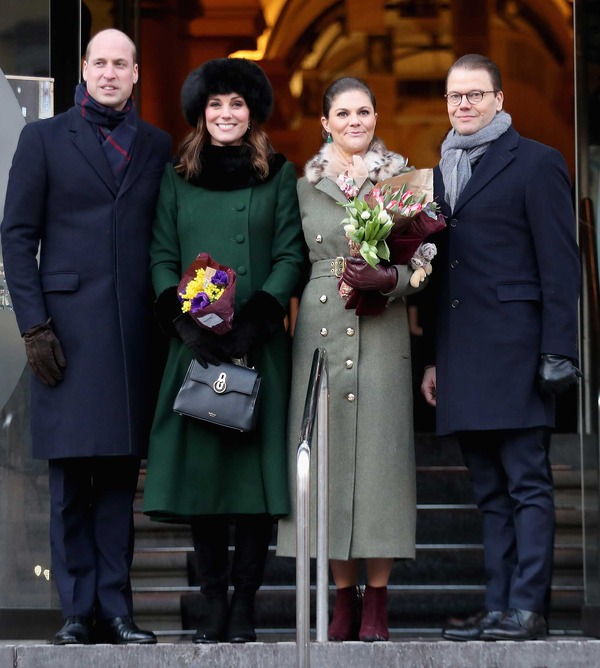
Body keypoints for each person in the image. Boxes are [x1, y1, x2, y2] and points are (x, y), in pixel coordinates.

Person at [1, 29, 171, 644]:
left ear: (135, 75)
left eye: (119, 63)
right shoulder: (43, 138)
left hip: (130, 334)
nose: (108, 72)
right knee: (71, 482)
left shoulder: (155, 145)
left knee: (119, 482)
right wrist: (33, 325)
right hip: (64, 336)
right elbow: (16, 237)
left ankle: (117, 610)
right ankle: (76, 612)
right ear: (84, 69)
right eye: (98, 62)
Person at [142, 57, 305, 644]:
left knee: (252, 487)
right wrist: (186, 324)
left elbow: (291, 255)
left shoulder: (279, 175)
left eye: (236, 104)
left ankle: (245, 604)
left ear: (252, 112)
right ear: (200, 114)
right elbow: (161, 255)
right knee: (206, 485)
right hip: (197, 349)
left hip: (256, 348)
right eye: (216, 104)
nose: (226, 113)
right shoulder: (175, 178)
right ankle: (212, 602)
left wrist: (256, 319)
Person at [420, 54, 581, 641]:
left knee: (527, 483)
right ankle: (498, 605)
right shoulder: (435, 176)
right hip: (463, 353)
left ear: (499, 99)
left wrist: (559, 349)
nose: (463, 105)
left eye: (475, 95)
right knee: (489, 491)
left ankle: (528, 608)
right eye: (455, 97)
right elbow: (437, 275)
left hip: (518, 350)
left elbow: (561, 264)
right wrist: (434, 358)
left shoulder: (536, 162)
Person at [276, 76, 426, 642]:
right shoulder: (301, 188)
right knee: (330, 463)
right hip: (318, 333)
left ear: (375, 117)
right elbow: (290, 259)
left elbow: (425, 262)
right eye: (343, 113)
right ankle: (342, 597)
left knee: (380, 463)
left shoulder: (404, 181)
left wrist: (391, 279)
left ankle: (378, 601)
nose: (354, 121)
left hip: (382, 331)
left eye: (363, 111)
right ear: (325, 122)